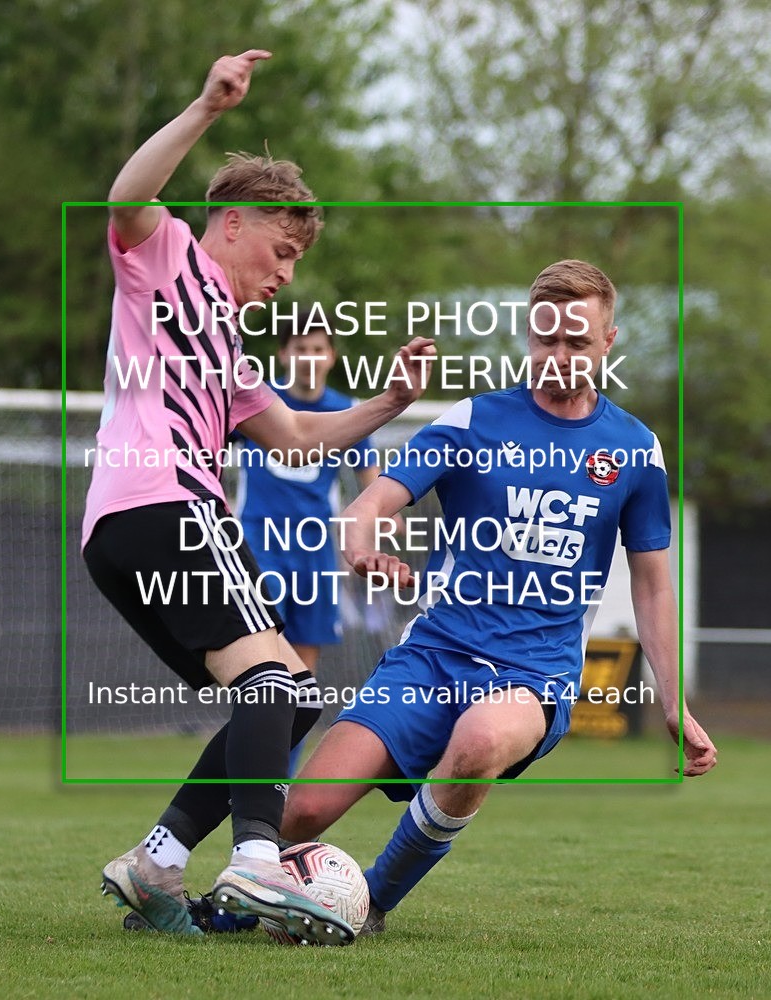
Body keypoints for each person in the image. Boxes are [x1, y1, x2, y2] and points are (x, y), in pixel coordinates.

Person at [83, 49, 434, 943]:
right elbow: (127, 197)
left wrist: (388, 403)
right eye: (280, 252)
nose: (285, 275)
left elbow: (299, 435)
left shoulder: (233, 349)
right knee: (277, 677)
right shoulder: (164, 258)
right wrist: (206, 105)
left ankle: (158, 861)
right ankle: (254, 862)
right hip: (167, 503)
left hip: (127, 528)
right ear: (232, 224)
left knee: (282, 697)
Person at [280, 259, 718, 935]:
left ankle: (369, 900)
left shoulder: (634, 450)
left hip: (533, 675)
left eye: (577, 342)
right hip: (430, 657)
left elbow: (652, 581)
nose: (559, 356)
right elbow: (371, 500)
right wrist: (359, 544)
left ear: (608, 342)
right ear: (527, 335)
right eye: (547, 340)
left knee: (481, 738)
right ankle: (247, 897)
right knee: (300, 813)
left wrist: (671, 700)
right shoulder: (474, 420)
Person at [234, 315, 386, 773]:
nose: (309, 358)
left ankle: (277, 784)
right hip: (262, 546)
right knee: (261, 673)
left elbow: (370, 483)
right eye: (300, 348)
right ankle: (248, 778)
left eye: (318, 349)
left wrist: (380, 520)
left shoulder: (345, 408)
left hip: (317, 555)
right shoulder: (258, 401)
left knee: (302, 680)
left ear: (331, 356)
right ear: (284, 354)